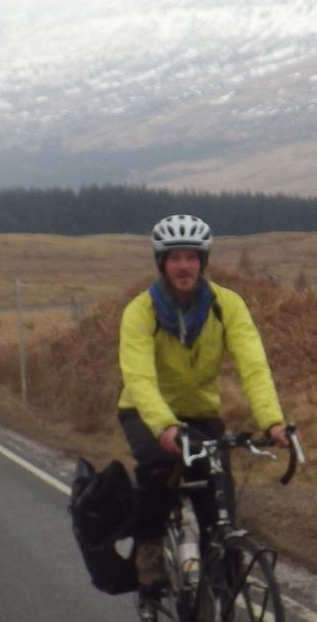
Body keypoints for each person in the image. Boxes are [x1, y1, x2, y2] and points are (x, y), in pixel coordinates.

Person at [117, 214, 292, 591]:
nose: (184, 266)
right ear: (162, 263)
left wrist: (273, 422)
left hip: (200, 413)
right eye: (175, 258)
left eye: (192, 257)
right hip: (146, 412)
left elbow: (254, 366)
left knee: (220, 510)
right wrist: (164, 426)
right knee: (159, 466)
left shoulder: (226, 306)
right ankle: (148, 545)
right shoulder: (140, 312)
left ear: (203, 261)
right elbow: (139, 378)